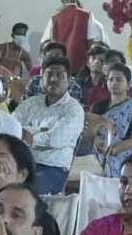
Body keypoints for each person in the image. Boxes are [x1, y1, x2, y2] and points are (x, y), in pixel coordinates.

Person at [11, 57, 85, 194]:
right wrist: (40, 131)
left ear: (69, 80)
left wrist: (28, 135)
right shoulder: (30, 103)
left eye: (59, 75)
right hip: (22, 163)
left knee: (26, 190)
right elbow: (11, 127)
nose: (53, 79)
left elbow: (55, 140)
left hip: (53, 168)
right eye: (49, 74)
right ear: (42, 79)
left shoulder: (74, 109)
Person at [96, 62, 132, 178]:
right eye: (111, 79)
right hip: (96, 147)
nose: (114, 83)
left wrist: (114, 149)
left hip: (121, 150)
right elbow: (91, 130)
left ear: (128, 84)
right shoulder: (98, 106)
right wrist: (98, 145)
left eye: (119, 80)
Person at [42, 0, 101, 75]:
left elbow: (46, 43)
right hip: (81, 65)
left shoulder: (54, 18)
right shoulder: (87, 15)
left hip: (61, 67)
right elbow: (91, 42)